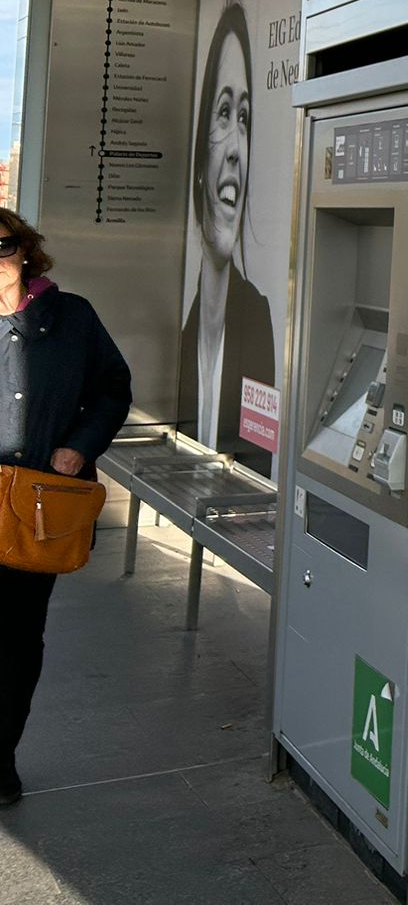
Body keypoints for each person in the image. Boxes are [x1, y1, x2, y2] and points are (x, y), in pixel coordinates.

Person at [0, 208, 133, 806]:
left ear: (25, 251)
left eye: (1, 247)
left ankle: (0, 758)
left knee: (18, 640)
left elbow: (112, 391)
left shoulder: (72, 316)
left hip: (36, 508)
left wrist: (78, 449)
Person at [180, 0, 276, 471]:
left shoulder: (256, 318)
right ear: (200, 160)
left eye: (245, 117)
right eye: (223, 113)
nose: (236, 147)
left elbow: (259, 472)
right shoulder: (184, 338)